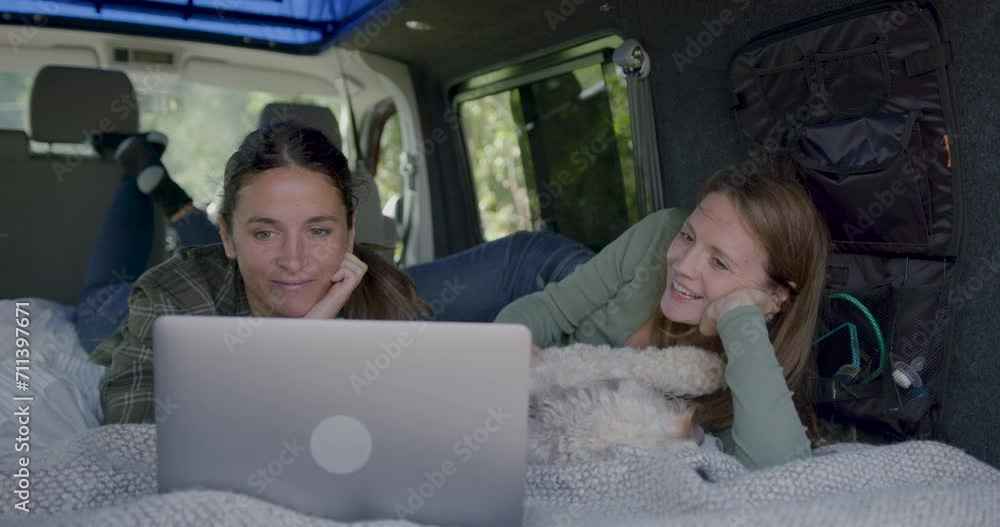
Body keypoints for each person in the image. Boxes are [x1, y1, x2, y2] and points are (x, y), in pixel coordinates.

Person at [84, 123, 595, 423]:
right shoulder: (171, 298)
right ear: (229, 237)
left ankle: (147, 167)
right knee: (102, 292)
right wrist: (296, 347)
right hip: (113, 316)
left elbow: (526, 258)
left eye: (319, 230)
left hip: (228, 257)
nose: (295, 259)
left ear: (350, 233)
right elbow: (135, 430)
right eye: (265, 233)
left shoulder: (377, 287)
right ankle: (137, 164)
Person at [495, 169, 831, 470]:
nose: (682, 265)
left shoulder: (750, 374)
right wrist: (510, 347)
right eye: (687, 236)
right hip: (528, 264)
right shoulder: (659, 235)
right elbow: (549, 309)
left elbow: (778, 469)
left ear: (777, 295)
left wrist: (739, 315)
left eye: (719, 263)